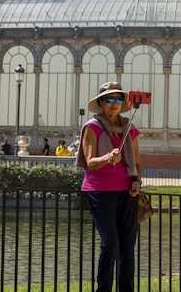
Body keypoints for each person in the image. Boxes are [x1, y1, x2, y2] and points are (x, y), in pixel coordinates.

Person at [76, 81, 142, 292]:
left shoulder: (129, 129)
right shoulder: (92, 127)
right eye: (110, 99)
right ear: (102, 102)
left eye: (119, 99)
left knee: (127, 245)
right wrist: (108, 157)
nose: (114, 103)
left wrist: (138, 180)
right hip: (100, 192)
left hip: (127, 192)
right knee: (110, 243)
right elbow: (90, 162)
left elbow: (138, 163)